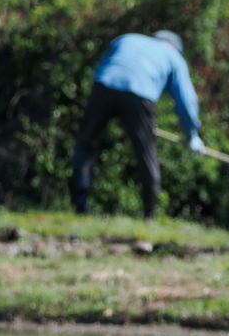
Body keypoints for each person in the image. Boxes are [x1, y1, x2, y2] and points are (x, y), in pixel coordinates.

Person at [69, 30, 203, 218]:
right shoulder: (174, 58)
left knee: (84, 143)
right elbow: (186, 102)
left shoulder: (127, 38)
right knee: (145, 153)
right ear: (175, 47)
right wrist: (192, 135)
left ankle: (79, 207)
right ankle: (150, 215)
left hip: (103, 84)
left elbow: (104, 65)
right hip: (140, 94)